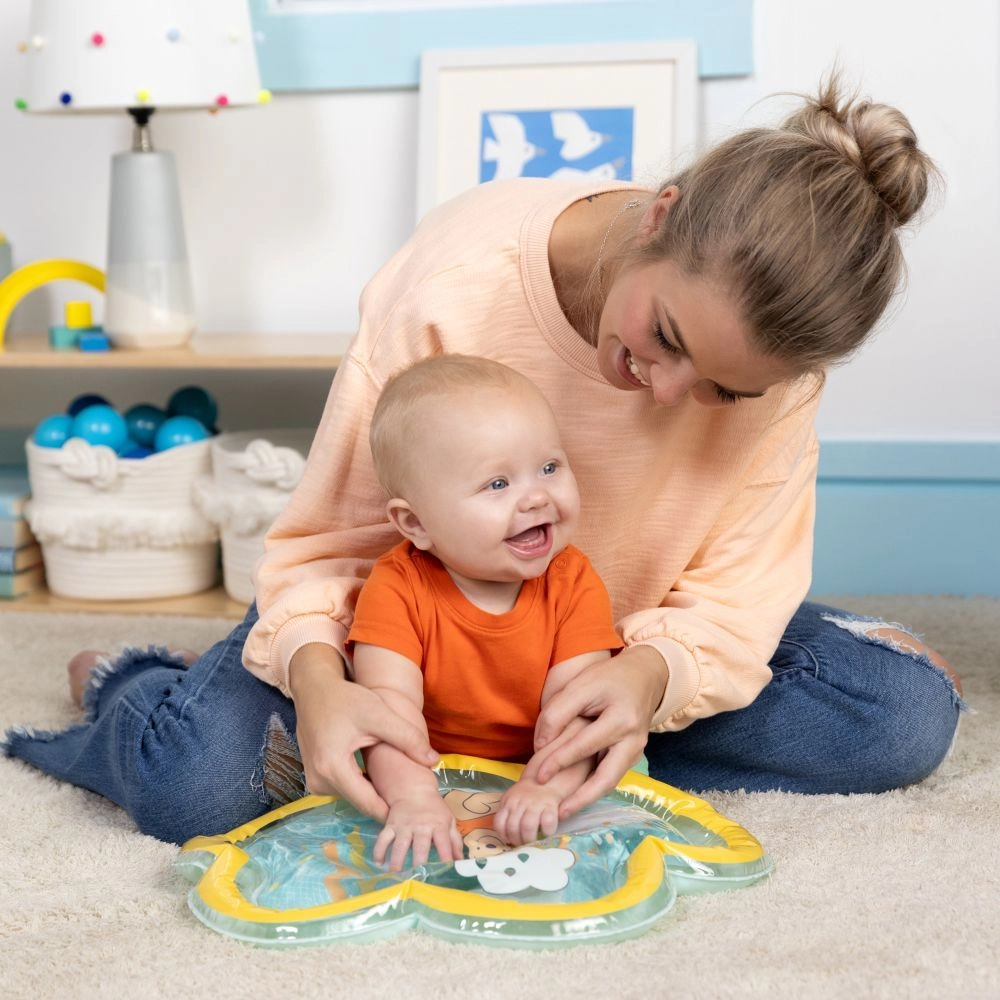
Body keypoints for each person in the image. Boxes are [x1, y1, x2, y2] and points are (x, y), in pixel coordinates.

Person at [4, 77, 966, 847]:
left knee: (901, 718)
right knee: (199, 785)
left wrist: (646, 683)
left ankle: (543, 740)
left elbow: (734, 593)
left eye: (726, 391)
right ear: (661, 215)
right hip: (402, 638)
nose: (667, 395)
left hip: (608, 630)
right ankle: (144, 680)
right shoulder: (459, 277)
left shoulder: (779, 373)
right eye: (665, 335)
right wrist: (319, 684)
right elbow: (331, 545)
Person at [348, 354, 624, 869]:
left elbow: (577, 714)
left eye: (549, 467)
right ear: (416, 523)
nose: (536, 497)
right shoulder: (396, 587)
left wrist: (545, 787)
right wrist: (413, 800)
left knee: (618, 786)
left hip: (542, 761)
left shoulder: (574, 582)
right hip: (429, 765)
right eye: (498, 484)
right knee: (345, 794)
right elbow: (387, 715)